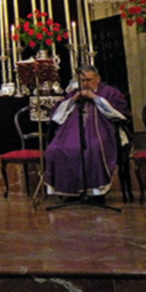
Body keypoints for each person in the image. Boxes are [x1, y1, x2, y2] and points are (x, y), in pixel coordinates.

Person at [44, 65, 129, 200]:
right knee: (55, 149)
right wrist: (73, 100)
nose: (85, 84)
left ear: (98, 79)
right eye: (82, 81)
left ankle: (96, 193)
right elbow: (57, 114)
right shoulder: (74, 93)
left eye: (89, 80)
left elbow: (118, 113)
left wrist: (95, 98)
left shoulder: (110, 92)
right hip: (72, 133)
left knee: (94, 148)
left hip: (102, 130)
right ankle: (72, 192)